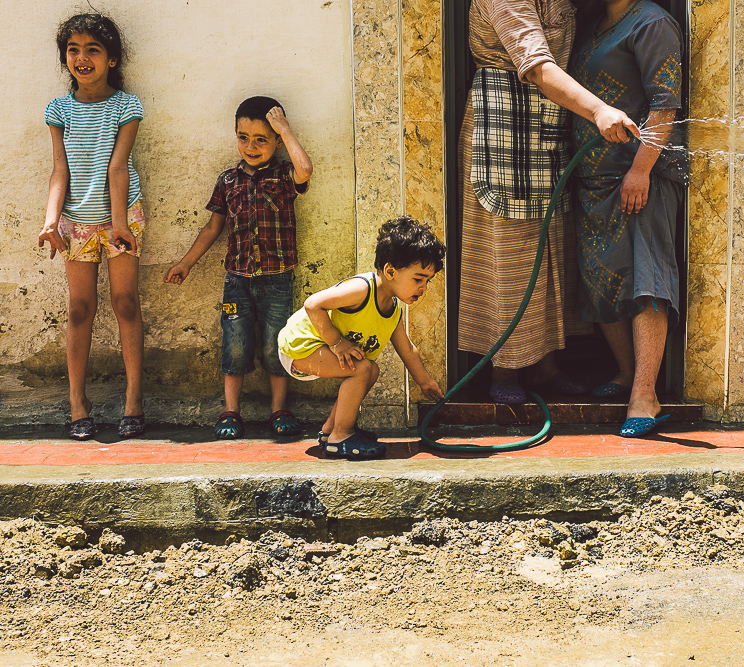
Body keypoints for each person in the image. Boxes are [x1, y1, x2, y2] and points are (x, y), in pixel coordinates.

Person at [457, 0, 641, 404]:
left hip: (549, 125)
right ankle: (503, 368)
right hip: (502, 125)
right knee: (509, 256)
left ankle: (544, 366)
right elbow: (538, 65)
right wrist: (598, 110)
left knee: (550, 251)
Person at [569, 0, 687, 437]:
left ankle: (645, 395)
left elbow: (664, 105)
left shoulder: (653, 23)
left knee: (645, 280)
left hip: (639, 178)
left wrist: (641, 170)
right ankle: (624, 372)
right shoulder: (597, 25)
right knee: (603, 277)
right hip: (595, 179)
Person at [164, 96, 313, 440]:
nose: (251, 146)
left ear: (276, 141)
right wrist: (186, 263)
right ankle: (231, 410)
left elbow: (305, 169)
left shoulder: (284, 175)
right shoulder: (228, 180)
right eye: (243, 137)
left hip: (278, 279)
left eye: (262, 139)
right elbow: (212, 229)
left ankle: (279, 409)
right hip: (237, 281)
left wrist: (285, 130)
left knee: (278, 344)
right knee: (234, 344)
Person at [36, 14, 146, 440]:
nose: (82, 58)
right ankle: (77, 405)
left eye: (93, 50)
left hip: (122, 216)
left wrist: (119, 225)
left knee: (125, 303)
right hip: (75, 222)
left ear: (112, 59)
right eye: (73, 50)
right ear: (66, 58)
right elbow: (59, 171)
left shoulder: (126, 106)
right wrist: (51, 221)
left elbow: (119, 167)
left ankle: (134, 402)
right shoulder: (59, 110)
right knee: (80, 309)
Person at [277, 216, 446, 460]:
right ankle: (340, 437)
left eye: (428, 281)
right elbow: (313, 305)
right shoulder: (362, 289)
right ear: (390, 271)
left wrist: (425, 382)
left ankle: (329, 431)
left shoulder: (393, 309)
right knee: (362, 368)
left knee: (371, 370)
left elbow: (406, 349)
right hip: (300, 347)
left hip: (316, 350)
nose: (424, 288)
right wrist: (338, 343)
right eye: (418, 279)